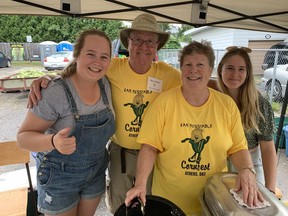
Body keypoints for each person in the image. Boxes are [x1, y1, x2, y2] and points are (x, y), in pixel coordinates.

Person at [27, 13, 181, 213]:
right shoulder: (112, 66)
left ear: (157, 45)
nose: (144, 46)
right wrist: (49, 77)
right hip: (120, 154)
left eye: (150, 41)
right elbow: (81, 70)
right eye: (137, 40)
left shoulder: (169, 74)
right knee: (120, 206)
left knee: (149, 203)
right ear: (129, 43)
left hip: (154, 155)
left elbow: (198, 82)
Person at [124, 40, 264, 216]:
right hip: (170, 204)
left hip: (212, 202)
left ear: (211, 69)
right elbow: (149, 147)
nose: (193, 70)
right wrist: (140, 184)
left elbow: (237, 148)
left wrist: (246, 170)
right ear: (181, 69)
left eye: (200, 65)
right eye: (188, 65)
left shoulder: (226, 105)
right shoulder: (164, 103)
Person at [17, 29, 115, 216]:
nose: (97, 62)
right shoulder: (55, 92)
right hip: (60, 177)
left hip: (95, 172)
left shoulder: (106, 83)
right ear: (77, 55)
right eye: (90, 54)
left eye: (104, 57)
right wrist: (53, 142)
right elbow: (22, 138)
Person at [216, 46, 278, 194]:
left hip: (251, 165)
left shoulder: (259, 104)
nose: (235, 74)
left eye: (241, 69)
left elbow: (268, 149)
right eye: (230, 68)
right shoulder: (211, 99)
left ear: (248, 73)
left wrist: (270, 190)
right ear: (220, 70)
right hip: (217, 166)